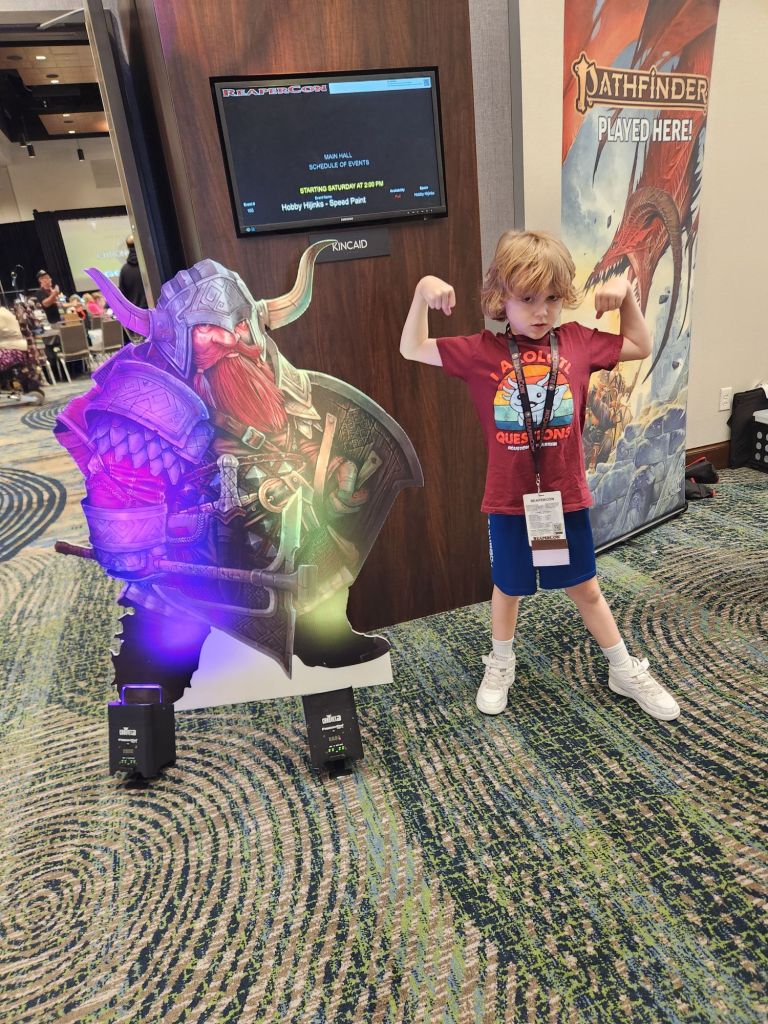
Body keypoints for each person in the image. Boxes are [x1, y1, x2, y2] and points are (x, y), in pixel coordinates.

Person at [399, 229, 680, 722]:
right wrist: (423, 291)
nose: (541, 311)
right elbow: (412, 347)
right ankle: (500, 664)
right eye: (527, 299)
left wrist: (627, 296)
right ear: (500, 298)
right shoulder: (482, 351)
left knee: (584, 587)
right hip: (509, 500)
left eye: (552, 298)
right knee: (508, 587)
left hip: (561, 498)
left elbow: (640, 343)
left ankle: (623, 669)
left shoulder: (578, 343)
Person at [117, 235, 147, 309]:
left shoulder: (124, 270)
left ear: (127, 247)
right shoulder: (148, 266)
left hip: (134, 312)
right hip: (151, 310)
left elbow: (122, 295)